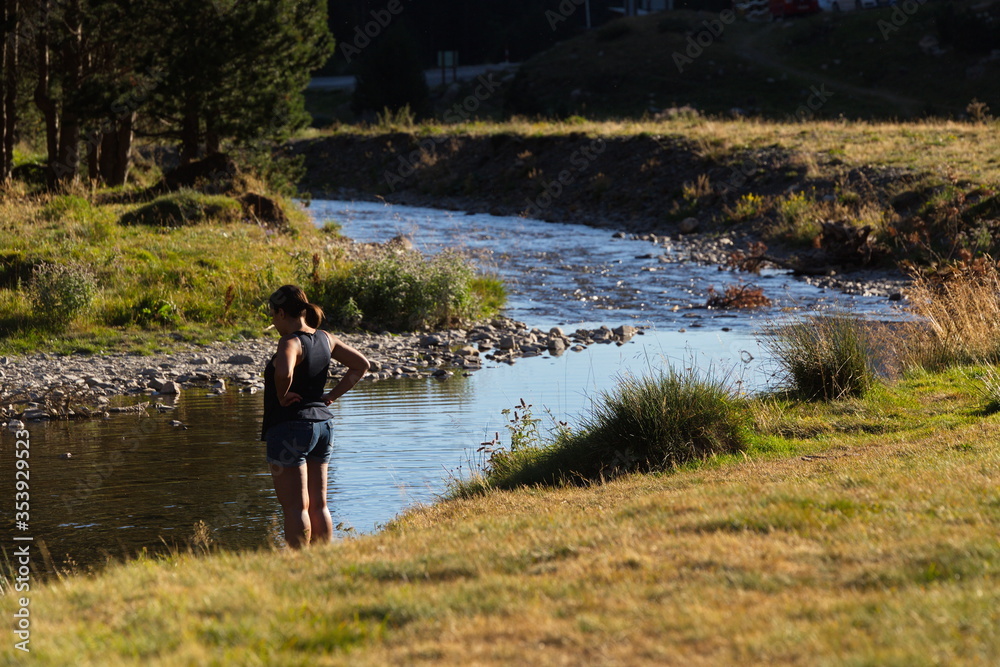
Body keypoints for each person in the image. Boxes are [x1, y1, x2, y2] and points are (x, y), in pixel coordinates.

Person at [262, 285, 370, 549]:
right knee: (319, 504)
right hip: (323, 426)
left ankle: (300, 565)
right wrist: (331, 396)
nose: (273, 322)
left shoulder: (289, 341)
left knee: (295, 508)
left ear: (281, 312)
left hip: (290, 429)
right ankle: (322, 559)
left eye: (273, 316)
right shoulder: (325, 338)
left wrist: (282, 395)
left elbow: (284, 372)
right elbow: (361, 365)